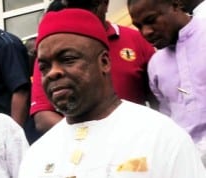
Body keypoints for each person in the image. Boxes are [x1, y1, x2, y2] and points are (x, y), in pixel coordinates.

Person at [18, 9, 206, 177]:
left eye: (68, 59)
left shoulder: (160, 136)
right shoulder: (37, 155)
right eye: (44, 67)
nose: (53, 73)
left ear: (105, 62)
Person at [30, 0, 157, 133]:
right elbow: (43, 116)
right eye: (75, 7)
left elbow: (158, 99)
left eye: (89, 6)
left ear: (105, 4)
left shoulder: (136, 40)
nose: (81, 13)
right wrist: (89, 138)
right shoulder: (51, 52)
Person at [128, 0, 206, 166]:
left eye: (151, 20)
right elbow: (169, 115)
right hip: (187, 162)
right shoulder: (155, 65)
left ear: (176, 5)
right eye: (139, 26)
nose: (146, 32)